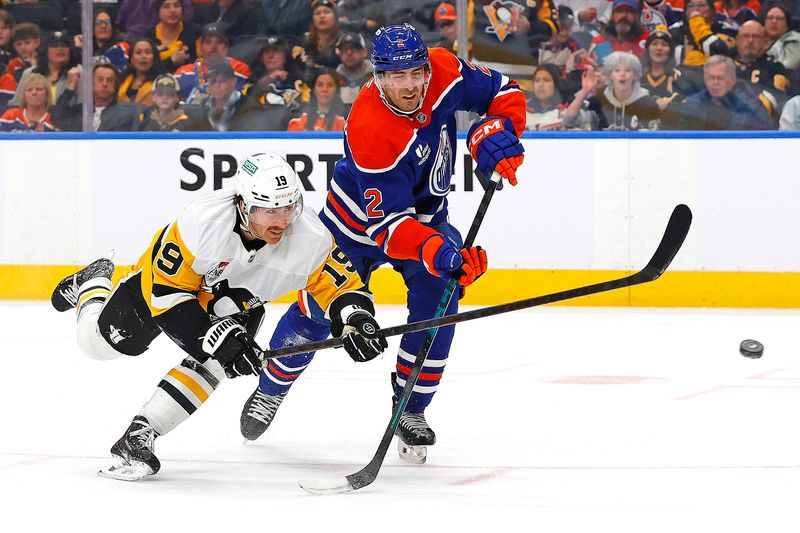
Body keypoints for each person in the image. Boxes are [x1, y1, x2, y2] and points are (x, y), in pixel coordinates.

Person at [239, 23, 524, 464]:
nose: (409, 85)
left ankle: (410, 408)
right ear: (378, 76)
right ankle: (271, 387)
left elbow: (505, 90)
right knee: (318, 313)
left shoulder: (446, 72)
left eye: (416, 72)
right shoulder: (371, 129)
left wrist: (500, 130)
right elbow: (390, 230)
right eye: (396, 75)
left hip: (426, 219)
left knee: (439, 306)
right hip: (356, 229)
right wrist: (447, 254)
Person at [49, 153, 387, 481]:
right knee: (96, 344)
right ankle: (91, 282)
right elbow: (166, 296)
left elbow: (342, 287)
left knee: (216, 363)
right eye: (270, 210)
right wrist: (218, 340)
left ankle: (140, 433)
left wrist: (357, 319)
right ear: (244, 205)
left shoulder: (310, 237)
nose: (282, 220)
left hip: (235, 304)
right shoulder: (201, 222)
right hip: (165, 289)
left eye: (288, 207)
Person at [670, 54, 773, 129]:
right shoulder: (692, 104)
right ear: (705, 80)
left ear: (732, 80)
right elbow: (683, 140)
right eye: (711, 78)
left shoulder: (752, 106)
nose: (715, 82)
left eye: (720, 78)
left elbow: (763, 144)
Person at [565, 51, 662, 130]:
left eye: (628, 70)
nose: (622, 74)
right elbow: (569, 122)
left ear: (635, 75)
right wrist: (584, 91)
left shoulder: (647, 103)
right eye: (617, 70)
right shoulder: (598, 101)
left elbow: (652, 140)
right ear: (610, 75)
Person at [51, 62, 142, 132]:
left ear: (115, 86)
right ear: (92, 84)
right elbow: (57, 116)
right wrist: (71, 85)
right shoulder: (80, 111)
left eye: (110, 80)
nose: (105, 83)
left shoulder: (126, 112)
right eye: (100, 79)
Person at [174, 22, 251, 104]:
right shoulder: (184, 72)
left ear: (226, 47)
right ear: (200, 47)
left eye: (218, 42)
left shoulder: (239, 69)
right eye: (208, 42)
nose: (213, 46)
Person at [734, 19, 794, 118]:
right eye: (745, 36)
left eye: (755, 37)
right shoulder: (725, 67)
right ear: (737, 41)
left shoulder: (777, 69)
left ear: (765, 42)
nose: (750, 41)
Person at [191, 60, 268, 131]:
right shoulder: (203, 105)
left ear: (234, 82)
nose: (217, 85)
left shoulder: (250, 106)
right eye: (213, 81)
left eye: (222, 81)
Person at [11, 31, 79, 109]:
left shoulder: (79, 73)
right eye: (55, 46)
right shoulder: (29, 73)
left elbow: (83, 107)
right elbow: (17, 105)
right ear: (45, 50)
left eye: (65, 46)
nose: (60, 49)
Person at [144, 0, 202, 72]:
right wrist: (171, 61)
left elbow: (202, 61)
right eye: (166, 6)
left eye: (177, 6)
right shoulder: (148, 37)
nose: (173, 10)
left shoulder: (195, 31)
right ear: (158, 12)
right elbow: (146, 67)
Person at [117, 37, 166, 107]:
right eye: (138, 53)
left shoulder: (163, 82)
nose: (143, 56)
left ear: (154, 58)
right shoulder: (121, 80)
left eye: (148, 52)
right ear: (131, 59)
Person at [115, 0, 195, 40]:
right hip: (133, 39)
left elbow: (186, 17)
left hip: (172, 37)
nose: (172, 10)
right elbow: (119, 24)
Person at [525, 64, 570, 130]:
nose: (541, 85)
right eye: (537, 80)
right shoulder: (521, 110)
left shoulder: (567, 112)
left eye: (546, 80)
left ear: (556, 84)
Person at [301, 0, 342, 72]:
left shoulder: (342, 40)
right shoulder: (305, 41)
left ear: (335, 17)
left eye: (327, 12)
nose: (322, 16)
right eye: (317, 13)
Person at [334, 31, 371, 107]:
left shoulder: (378, 78)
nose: (349, 53)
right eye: (344, 49)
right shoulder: (334, 79)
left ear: (365, 52)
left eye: (355, 48)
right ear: (339, 53)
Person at [764, 5, 800, 74]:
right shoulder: (756, 38)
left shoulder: (795, 40)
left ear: (787, 24)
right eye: (770, 18)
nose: (774, 21)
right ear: (764, 23)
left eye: (779, 18)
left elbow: (788, 66)